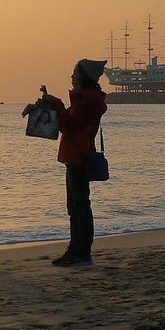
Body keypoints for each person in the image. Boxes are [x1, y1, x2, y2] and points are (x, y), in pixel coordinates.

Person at [41, 59, 108, 267]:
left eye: (75, 73)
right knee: (76, 206)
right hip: (75, 155)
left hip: (78, 156)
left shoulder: (87, 101)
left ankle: (81, 252)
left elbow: (70, 122)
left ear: (83, 77)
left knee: (79, 206)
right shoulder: (84, 99)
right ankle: (76, 249)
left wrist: (58, 104)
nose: (71, 77)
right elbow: (68, 124)